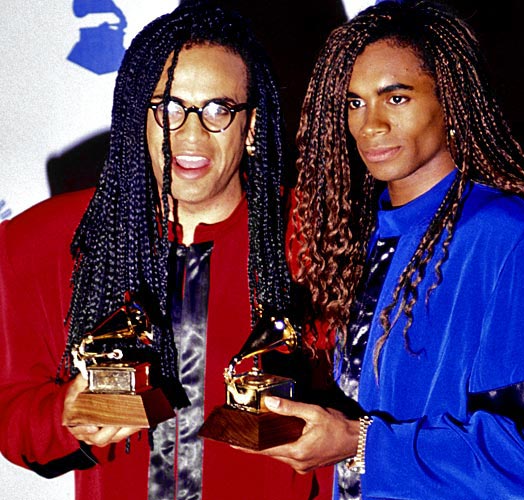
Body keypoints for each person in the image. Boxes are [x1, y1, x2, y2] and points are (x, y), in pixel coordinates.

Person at [245, 1, 524, 499]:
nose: (370, 125)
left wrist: (358, 442)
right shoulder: (353, 237)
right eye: (354, 102)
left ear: (450, 101)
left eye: (397, 98)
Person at [0, 1, 329, 499]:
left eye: (219, 109)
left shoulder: (321, 238)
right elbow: (12, 410)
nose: (189, 135)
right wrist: (63, 415)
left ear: (254, 124)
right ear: (141, 118)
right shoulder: (53, 240)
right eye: (168, 108)